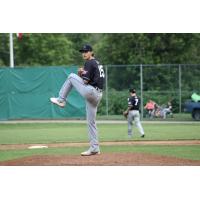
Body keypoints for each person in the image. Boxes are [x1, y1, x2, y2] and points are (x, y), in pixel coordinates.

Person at [50, 44, 105, 156]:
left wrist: (80, 74)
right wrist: (82, 74)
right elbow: (90, 79)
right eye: (82, 52)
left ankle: (61, 99)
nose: (83, 53)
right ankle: (95, 148)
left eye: (86, 51)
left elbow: (84, 82)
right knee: (91, 122)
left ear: (91, 52)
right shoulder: (97, 63)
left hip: (91, 92)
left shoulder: (89, 62)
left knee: (71, 76)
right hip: (98, 95)